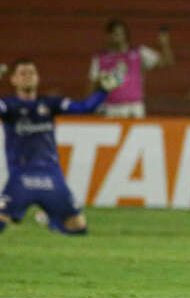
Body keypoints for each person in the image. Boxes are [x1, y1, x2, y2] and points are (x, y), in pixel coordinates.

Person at [0, 59, 120, 236]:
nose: (28, 77)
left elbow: (85, 107)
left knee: (79, 229)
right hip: (21, 177)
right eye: (23, 73)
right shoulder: (9, 106)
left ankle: (53, 223)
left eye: (31, 73)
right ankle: (49, 219)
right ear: (14, 80)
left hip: (51, 176)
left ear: (38, 78)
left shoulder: (50, 104)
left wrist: (103, 90)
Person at [87, 19, 174, 118]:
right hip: (109, 108)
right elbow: (92, 84)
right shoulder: (100, 58)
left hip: (133, 108)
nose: (117, 37)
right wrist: (91, 106)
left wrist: (165, 44)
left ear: (126, 35)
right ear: (108, 36)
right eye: (114, 34)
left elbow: (167, 62)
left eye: (120, 33)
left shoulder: (139, 53)